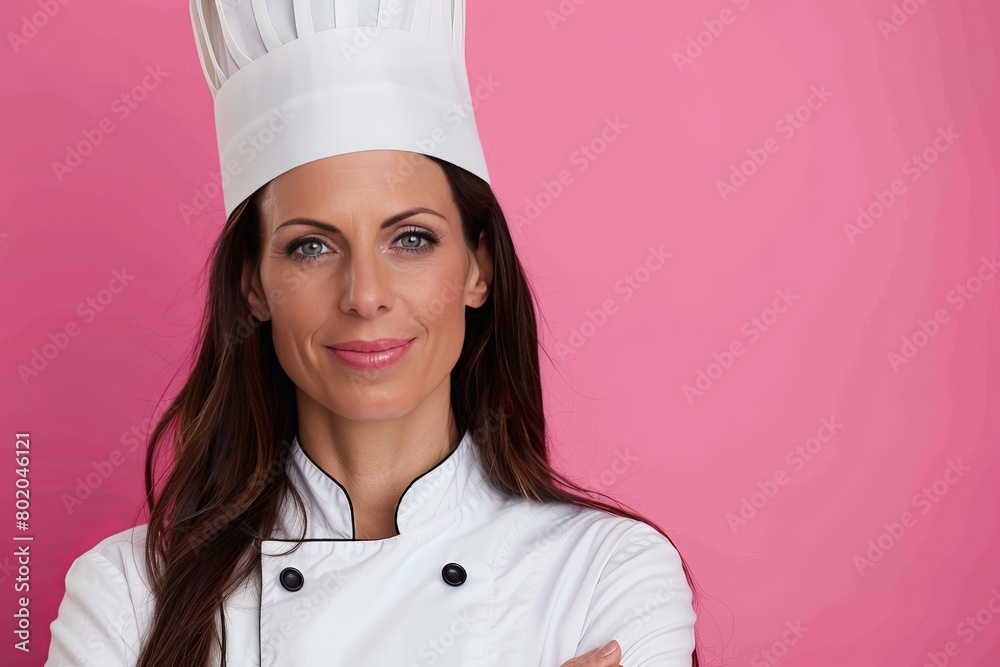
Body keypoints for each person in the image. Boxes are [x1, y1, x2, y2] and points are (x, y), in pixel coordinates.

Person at [46, 1, 701, 665]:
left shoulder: (605, 573)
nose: (365, 296)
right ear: (253, 283)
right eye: (311, 247)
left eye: (410, 238)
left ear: (478, 267)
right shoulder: (127, 595)